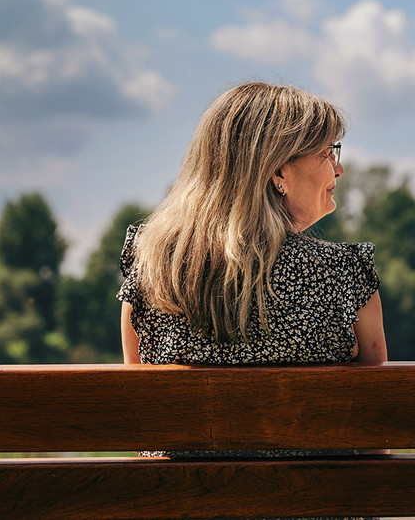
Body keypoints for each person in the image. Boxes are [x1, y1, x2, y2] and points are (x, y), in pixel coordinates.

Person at [117, 82, 386, 476]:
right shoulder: (344, 275)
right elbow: (374, 426)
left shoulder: (153, 268)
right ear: (279, 170)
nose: (339, 168)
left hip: (181, 506)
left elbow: (142, 411)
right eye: (328, 152)